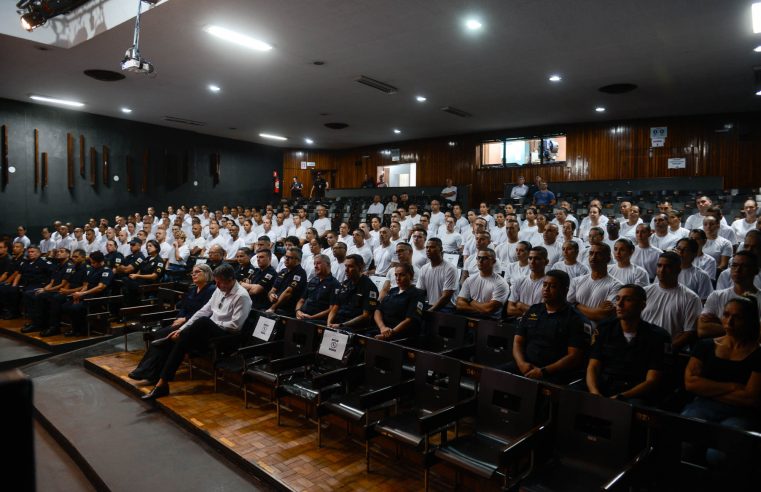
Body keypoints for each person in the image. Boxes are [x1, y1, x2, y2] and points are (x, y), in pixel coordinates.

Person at [142, 263, 252, 400]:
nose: (217, 286)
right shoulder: (219, 289)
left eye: (220, 283)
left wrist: (212, 323)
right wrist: (182, 329)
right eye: (216, 282)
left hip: (228, 337)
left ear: (230, 280)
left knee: (203, 322)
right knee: (182, 340)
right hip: (209, 330)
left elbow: (235, 326)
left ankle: (161, 375)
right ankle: (161, 383)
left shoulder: (242, 296)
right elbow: (203, 311)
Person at [682, 297, 761, 436]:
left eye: (737, 317)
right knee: (687, 437)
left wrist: (707, 389)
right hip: (703, 405)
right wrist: (733, 387)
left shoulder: (758, 354)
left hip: (741, 413)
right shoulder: (705, 346)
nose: (729, 321)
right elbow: (691, 384)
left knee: (718, 454)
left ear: (749, 321)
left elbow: (751, 398)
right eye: (726, 315)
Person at [128, 264, 216, 382]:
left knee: (162, 335)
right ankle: (152, 372)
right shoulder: (192, 289)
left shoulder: (212, 290)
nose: (193, 274)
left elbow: (206, 312)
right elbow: (183, 307)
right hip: (182, 323)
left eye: (197, 272)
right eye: (192, 273)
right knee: (164, 337)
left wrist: (185, 319)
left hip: (196, 326)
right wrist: (180, 318)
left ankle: (147, 371)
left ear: (206, 273)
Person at [586, 284, 671, 404]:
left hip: (634, 393)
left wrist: (621, 397)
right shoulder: (605, 328)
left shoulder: (658, 336)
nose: (619, 304)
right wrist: (594, 392)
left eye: (628, 300)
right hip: (603, 387)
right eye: (617, 299)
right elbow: (593, 366)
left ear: (642, 305)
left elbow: (652, 380)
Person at [510, 270, 589, 383]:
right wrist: (521, 363)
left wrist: (544, 371)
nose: (546, 289)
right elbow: (518, 341)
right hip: (526, 366)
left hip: (554, 373)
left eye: (552, 286)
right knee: (493, 375)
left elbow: (574, 357)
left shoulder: (575, 319)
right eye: (544, 285)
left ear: (565, 291)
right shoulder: (534, 310)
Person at [641, 252, 702, 352]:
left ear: (678, 270)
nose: (662, 270)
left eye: (667, 266)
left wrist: (667, 349)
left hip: (669, 353)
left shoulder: (691, 298)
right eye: (659, 266)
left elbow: (690, 332)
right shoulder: (644, 292)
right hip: (641, 349)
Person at [698, 251, 761, 339]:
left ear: (756, 270)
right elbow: (702, 330)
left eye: (744, 266)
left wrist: (720, 323)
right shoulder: (716, 296)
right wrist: (745, 329)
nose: (738, 270)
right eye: (734, 265)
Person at [58, 251, 114, 337]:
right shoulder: (93, 269)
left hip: (98, 298)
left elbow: (100, 287)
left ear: (100, 262)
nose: (92, 264)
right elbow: (87, 285)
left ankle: (81, 329)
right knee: (66, 306)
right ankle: (78, 328)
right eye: (91, 262)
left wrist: (83, 293)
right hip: (88, 296)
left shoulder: (106, 270)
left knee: (75, 308)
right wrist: (79, 295)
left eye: (94, 262)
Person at [568, 243, 622, 326]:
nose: (593, 257)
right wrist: (595, 311)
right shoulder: (576, 281)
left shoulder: (616, 286)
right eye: (591, 253)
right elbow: (567, 307)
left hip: (598, 334)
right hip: (573, 330)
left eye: (598, 254)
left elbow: (602, 315)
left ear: (608, 259)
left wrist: (576, 305)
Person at [326, 255, 378, 332]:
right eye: (345, 266)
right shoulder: (345, 284)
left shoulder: (369, 287)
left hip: (353, 326)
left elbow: (366, 315)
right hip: (337, 321)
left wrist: (341, 325)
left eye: (350, 266)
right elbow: (335, 307)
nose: (346, 270)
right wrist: (328, 323)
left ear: (360, 268)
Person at [0, 244, 53, 320]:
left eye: (32, 252)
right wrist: (14, 285)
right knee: (6, 289)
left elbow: (52, 276)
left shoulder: (44, 263)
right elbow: (19, 274)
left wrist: (45, 288)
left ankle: (34, 319)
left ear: (39, 253)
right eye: (29, 252)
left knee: (28, 293)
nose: (30, 253)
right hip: (25, 284)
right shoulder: (26, 262)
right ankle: (10, 311)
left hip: (38, 285)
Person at [375, 264, 425, 340]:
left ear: (411, 276)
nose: (398, 278)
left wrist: (390, 333)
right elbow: (378, 310)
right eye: (396, 275)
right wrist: (382, 327)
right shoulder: (392, 291)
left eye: (402, 275)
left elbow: (410, 320)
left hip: (400, 335)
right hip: (382, 330)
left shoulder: (417, 294)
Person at [456, 248, 509, 319]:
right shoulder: (470, 280)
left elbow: (488, 309)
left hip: (490, 320)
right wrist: (480, 308)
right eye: (478, 258)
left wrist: (471, 302)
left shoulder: (501, 283)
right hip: (468, 317)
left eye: (485, 258)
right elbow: (459, 304)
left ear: (493, 261)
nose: (480, 261)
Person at [417, 238, 457, 312]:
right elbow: (420, 292)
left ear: (441, 249)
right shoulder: (424, 268)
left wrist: (430, 311)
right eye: (427, 247)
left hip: (447, 308)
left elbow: (446, 297)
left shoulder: (450, 269)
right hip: (429, 305)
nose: (428, 250)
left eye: (432, 247)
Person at [295, 254, 339, 322]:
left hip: (317, 320)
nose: (315, 266)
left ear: (328, 265)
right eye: (314, 264)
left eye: (318, 263)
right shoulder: (313, 280)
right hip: (302, 316)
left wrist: (312, 317)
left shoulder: (334, 284)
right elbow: (301, 300)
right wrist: (298, 311)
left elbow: (331, 309)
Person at [122, 239, 165, 306]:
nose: (148, 248)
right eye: (147, 246)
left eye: (150, 246)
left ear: (156, 248)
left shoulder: (159, 261)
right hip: (141, 280)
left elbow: (154, 276)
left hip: (149, 283)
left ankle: (131, 306)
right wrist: (135, 275)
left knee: (127, 286)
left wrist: (138, 276)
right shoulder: (147, 258)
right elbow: (140, 269)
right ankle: (129, 305)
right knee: (126, 280)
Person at [265, 247, 307, 316]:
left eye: (290, 257)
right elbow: (273, 289)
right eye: (286, 256)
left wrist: (272, 308)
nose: (286, 259)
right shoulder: (283, 271)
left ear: (297, 260)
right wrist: (271, 295)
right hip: (274, 306)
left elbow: (288, 292)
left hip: (286, 311)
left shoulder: (300, 273)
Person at [507, 246, 548, 317]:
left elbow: (544, 313)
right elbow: (510, 310)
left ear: (546, 262)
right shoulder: (519, 281)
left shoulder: (549, 284)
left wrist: (521, 305)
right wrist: (530, 315)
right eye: (530, 258)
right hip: (521, 323)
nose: (532, 262)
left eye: (537, 259)